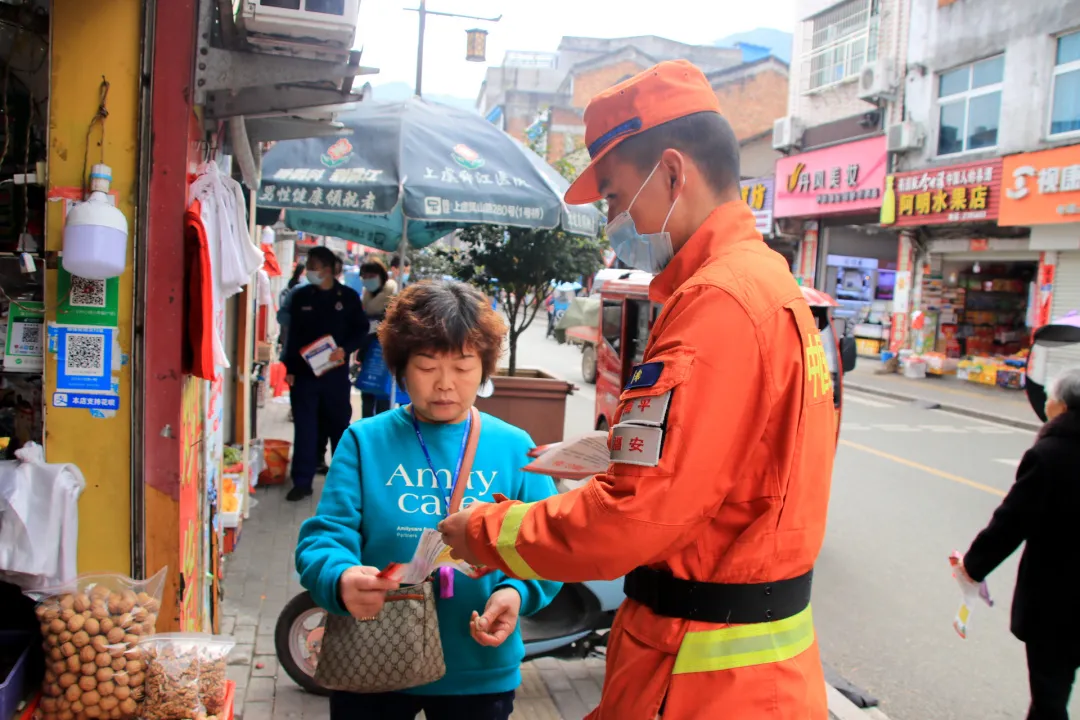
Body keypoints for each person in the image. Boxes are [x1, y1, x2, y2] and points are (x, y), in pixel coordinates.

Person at [438, 60, 835, 719]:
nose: (613, 223)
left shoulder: (717, 304)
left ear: (674, 173)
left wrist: (487, 529)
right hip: (745, 671)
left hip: (702, 679)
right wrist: (617, 451)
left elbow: (635, 518)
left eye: (617, 199)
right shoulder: (768, 284)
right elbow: (736, 470)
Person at [294, 280, 561, 720]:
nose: (444, 385)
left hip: (478, 667)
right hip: (372, 657)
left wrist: (517, 593)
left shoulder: (514, 447)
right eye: (426, 366)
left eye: (462, 367)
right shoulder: (365, 441)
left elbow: (546, 546)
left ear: (484, 368)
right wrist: (340, 578)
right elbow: (323, 538)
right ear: (401, 367)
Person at [959, 368, 1080, 720]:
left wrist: (973, 566)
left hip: (1060, 598)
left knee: (1050, 694)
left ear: (1061, 407)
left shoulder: (1052, 454)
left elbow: (1012, 522)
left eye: (1050, 398)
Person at [283, 246, 368, 501]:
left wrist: (345, 349)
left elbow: (361, 330)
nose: (309, 271)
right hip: (305, 375)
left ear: (328, 270)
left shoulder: (349, 297)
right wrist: (289, 368)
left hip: (335, 375)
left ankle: (343, 484)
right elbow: (292, 336)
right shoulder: (301, 297)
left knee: (339, 426)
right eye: (308, 266)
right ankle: (302, 481)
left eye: (313, 266)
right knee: (305, 427)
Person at [356, 258, 398, 418]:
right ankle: (366, 434)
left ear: (381, 275)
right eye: (364, 276)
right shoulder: (366, 297)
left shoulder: (392, 294)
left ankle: (382, 435)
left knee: (383, 399)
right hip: (368, 354)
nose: (368, 279)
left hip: (385, 354)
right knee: (366, 396)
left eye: (371, 275)